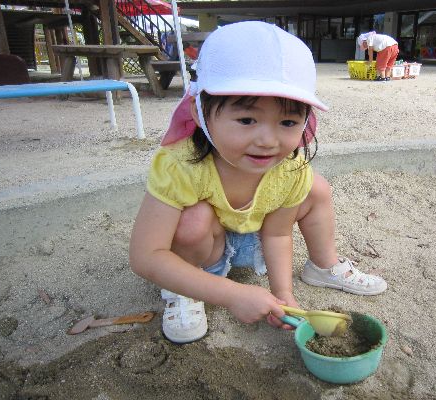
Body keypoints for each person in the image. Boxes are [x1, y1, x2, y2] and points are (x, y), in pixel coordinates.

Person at [129, 21, 387, 344]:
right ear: (199, 112)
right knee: (192, 221)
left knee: (316, 188)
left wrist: (283, 294)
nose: (267, 140)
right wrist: (232, 294)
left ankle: (323, 266)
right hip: (205, 249)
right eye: (247, 119)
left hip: (255, 241)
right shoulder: (180, 165)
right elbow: (145, 255)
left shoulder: (289, 167)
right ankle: (185, 289)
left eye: (288, 121)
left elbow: (277, 233)